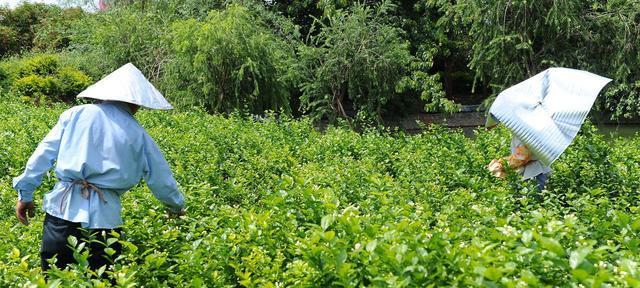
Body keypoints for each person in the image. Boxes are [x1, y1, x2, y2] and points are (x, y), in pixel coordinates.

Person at [13, 63, 185, 274]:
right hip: (106, 219)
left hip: (62, 211)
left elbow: (42, 156)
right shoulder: (138, 133)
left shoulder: (74, 115)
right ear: (135, 103)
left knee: (54, 276)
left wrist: (25, 194)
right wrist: (176, 207)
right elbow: (160, 177)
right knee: (103, 278)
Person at [486, 114, 551, 191]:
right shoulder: (522, 130)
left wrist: (500, 165)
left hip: (534, 174)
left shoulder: (525, 132)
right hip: (533, 171)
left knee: (531, 199)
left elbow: (521, 157)